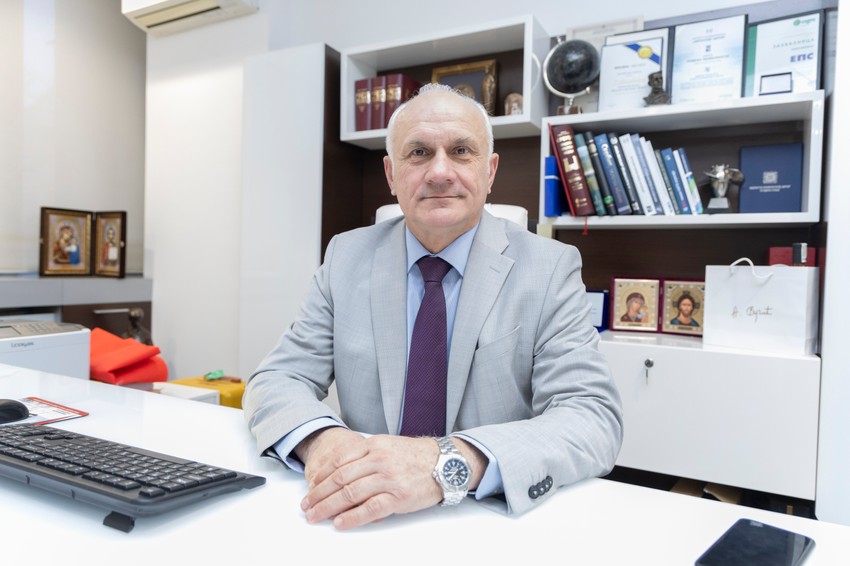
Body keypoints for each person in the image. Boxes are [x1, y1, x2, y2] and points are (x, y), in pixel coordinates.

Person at [243, 83, 623, 530]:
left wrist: (447, 463)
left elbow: (591, 417)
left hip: (484, 521)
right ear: (391, 174)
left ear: (490, 170)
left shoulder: (550, 267)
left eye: (461, 151)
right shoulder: (346, 256)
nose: (440, 172)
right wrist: (322, 440)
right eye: (419, 153)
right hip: (361, 516)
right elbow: (278, 378)